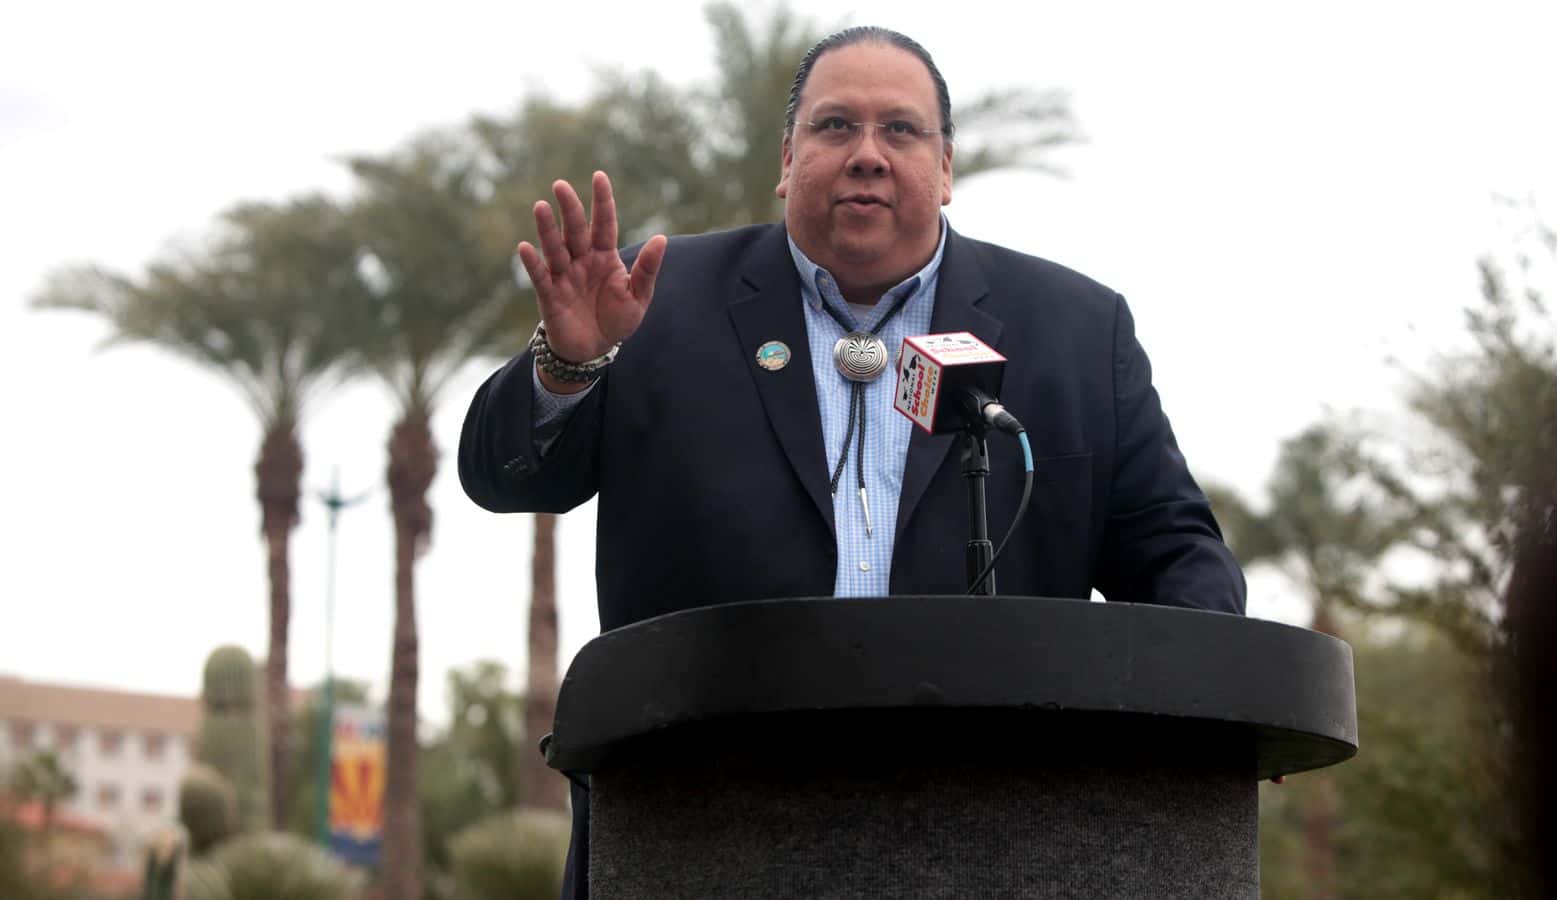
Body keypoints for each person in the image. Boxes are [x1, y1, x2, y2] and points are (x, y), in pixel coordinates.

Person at [459, 25, 1245, 899]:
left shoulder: (1073, 329)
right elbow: (507, 477)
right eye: (836, 128)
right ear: (788, 160)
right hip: (703, 831)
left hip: (999, 838)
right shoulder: (652, 298)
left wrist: (1218, 714)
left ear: (946, 167)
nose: (867, 155)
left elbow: (1178, 557)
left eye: (900, 131)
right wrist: (570, 362)